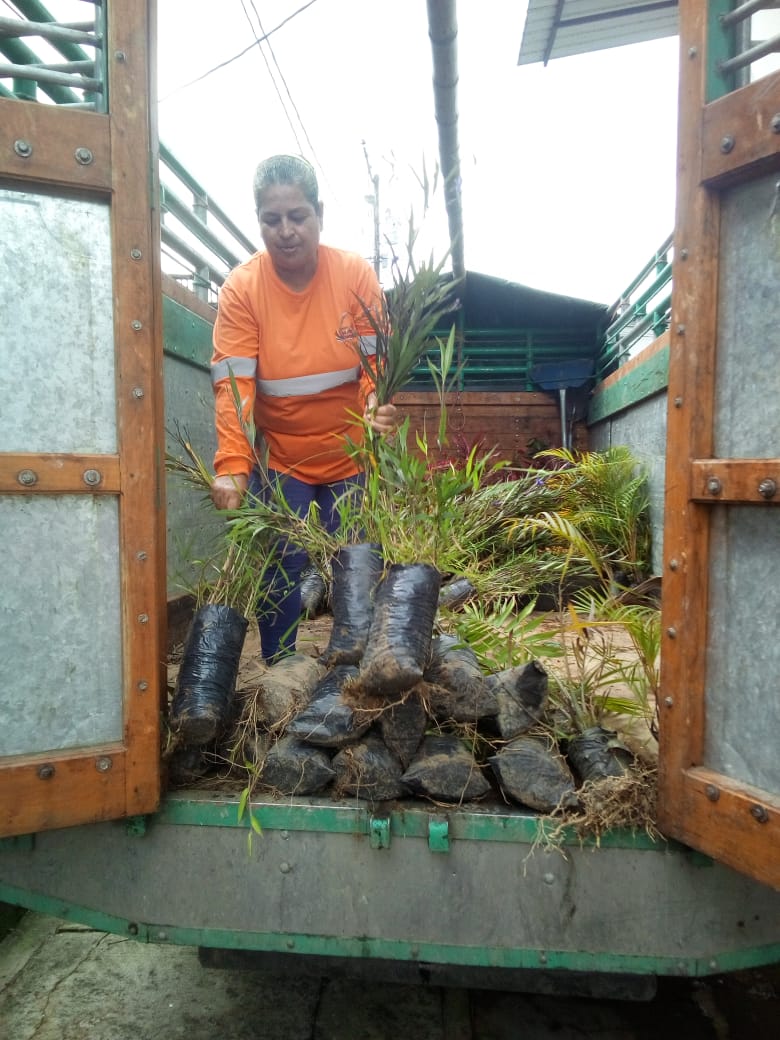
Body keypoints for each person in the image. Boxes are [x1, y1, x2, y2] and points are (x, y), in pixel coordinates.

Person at [209, 154, 396, 664]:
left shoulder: (354, 276)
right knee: (280, 565)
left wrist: (376, 405)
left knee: (357, 564)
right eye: (272, 219)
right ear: (259, 221)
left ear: (319, 214)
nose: (286, 231)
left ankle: (353, 671)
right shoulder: (243, 289)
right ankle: (281, 667)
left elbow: (376, 366)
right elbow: (233, 386)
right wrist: (233, 466)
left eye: (298, 216)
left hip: (351, 455)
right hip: (283, 458)